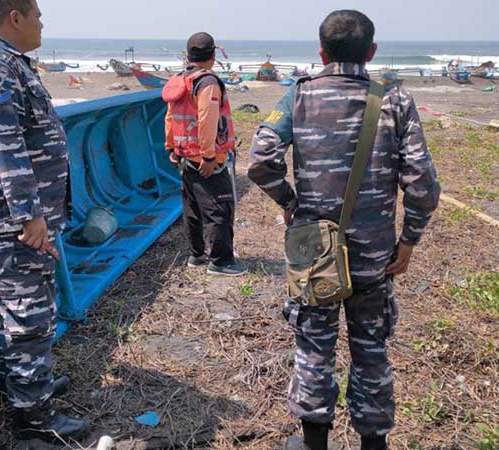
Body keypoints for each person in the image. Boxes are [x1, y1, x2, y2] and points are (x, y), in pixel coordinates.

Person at [247, 10, 441, 450]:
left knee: (314, 349)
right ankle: (373, 443)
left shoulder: (297, 96)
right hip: (375, 255)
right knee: (371, 351)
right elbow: (424, 185)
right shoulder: (394, 100)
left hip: (313, 250)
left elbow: (259, 161)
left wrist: (292, 204)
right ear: (371, 52)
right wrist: (408, 241)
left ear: (321, 53)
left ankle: (315, 442)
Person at [0, 0, 90, 442]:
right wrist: (29, 216)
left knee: (14, 314)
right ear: (15, 17)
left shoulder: (9, 64)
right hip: (12, 223)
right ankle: (32, 422)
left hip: (16, 220)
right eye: (37, 15)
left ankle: (24, 390)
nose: (42, 23)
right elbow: (5, 145)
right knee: (27, 319)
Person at [162, 32, 246, 277]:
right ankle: (221, 261)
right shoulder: (207, 82)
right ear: (212, 56)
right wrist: (209, 157)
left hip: (184, 156)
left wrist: (172, 148)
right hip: (206, 159)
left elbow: (170, 118)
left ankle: (197, 254)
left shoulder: (180, 80)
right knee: (219, 207)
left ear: (189, 55)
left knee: (193, 207)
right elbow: (206, 121)